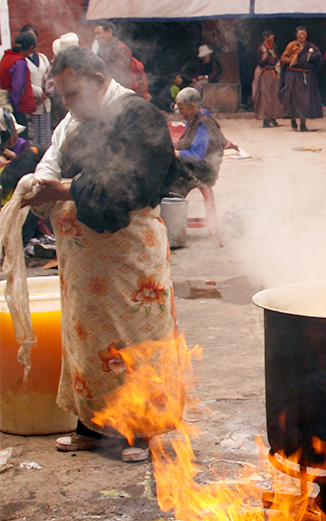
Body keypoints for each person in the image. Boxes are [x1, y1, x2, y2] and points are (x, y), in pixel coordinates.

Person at [26, 45, 186, 464]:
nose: (68, 104)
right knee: (86, 342)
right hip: (83, 262)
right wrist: (39, 182)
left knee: (132, 341)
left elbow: (126, 185)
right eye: (62, 96)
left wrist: (63, 189)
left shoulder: (138, 115)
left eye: (73, 94)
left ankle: (137, 433)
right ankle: (91, 426)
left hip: (129, 258)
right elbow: (54, 158)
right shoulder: (75, 121)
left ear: (98, 81)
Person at [168, 87, 227, 195]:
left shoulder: (204, 123)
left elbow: (196, 157)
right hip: (193, 166)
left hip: (202, 172)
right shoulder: (193, 119)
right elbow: (187, 142)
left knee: (169, 185)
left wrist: (176, 153)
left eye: (181, 109)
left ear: (192, 107)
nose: (180, 113)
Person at [279, 26, 324, 132]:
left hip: (306, 76)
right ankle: (293, 118)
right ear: (296, 35)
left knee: (305, 100)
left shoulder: (311, 47)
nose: (302, 36)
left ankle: (303, 124)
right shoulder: (291, 45)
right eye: (300, 34)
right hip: (294, 75)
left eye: (304, 34)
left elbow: (319, 58)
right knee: (293, 98)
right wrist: (294, 60)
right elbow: (283, 58)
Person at [20, 26, 52, 148]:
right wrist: (40, 92)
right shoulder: (21, 59)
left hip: (45, 102)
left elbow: (50, 76)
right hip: (32, 102)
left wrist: (47, 92)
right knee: (34, 137)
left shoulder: (42, 57)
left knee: (46, 136)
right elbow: (24, 82)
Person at [1, 32, 37, 128]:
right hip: (16, 106)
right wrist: (14, 107)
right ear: (31, 48)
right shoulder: (19, 62)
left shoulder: (6, 57)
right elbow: (17, 87)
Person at [252, 30, 283, 127]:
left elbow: (276, 57)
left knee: (274, 95)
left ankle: (273, 116)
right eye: (271, 38)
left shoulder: (274, 47)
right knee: (266, 95)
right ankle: (265, 118)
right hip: (265, 73)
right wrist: (264, 59)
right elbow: (260, 61)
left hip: (273, 72)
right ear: (265, 38)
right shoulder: (261, 48)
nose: (272, 40)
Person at [93, 21, 134, 89]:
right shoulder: (101, 50)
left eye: (98, 33)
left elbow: (119, 76)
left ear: (109, 32)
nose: (96, 37)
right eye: (95, 34)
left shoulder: (121, 50)